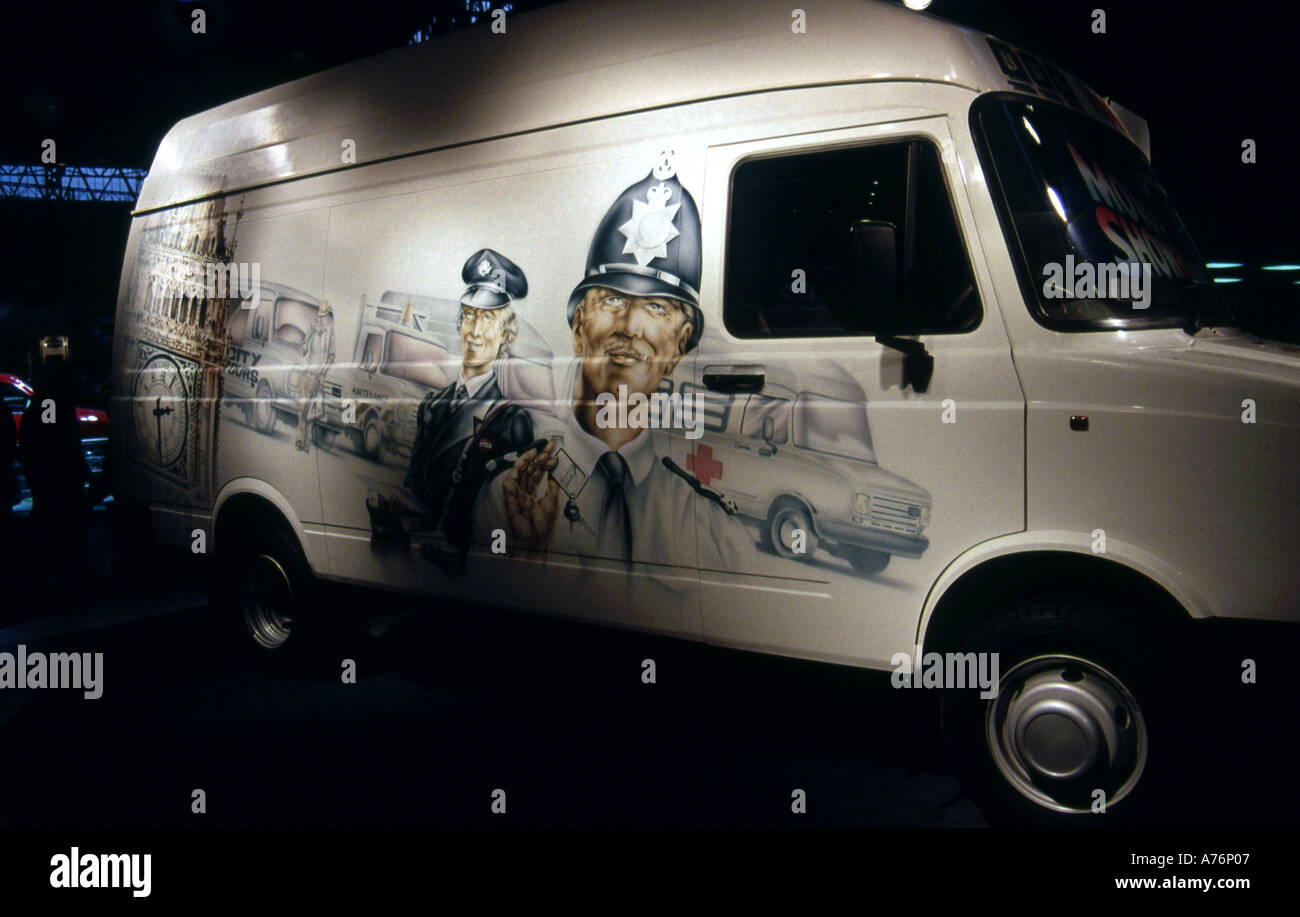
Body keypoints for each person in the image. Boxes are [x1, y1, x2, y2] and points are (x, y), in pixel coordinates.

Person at [478, 157, 745, 573]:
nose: (631, 327)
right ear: (579, 326)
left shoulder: (712, 531)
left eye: (657, 308)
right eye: (613, 300)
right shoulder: (506, 497)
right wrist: (530, 557)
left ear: (677, 349)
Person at [369, 248, 534, 572]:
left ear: (505, 334)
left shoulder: (512, 423)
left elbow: (507, 519)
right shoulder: (432, 405)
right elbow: (412, 487)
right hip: (420, 564)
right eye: (469, 315)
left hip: (469, 571)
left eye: (488, 319)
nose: (474, 331)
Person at [18, 361, 91, 601]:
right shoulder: (52, 407)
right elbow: (62, 443)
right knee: (65, 532)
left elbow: (35, 446)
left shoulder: (42, 406)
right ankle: (66, 580)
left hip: (49, 481)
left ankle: (54, 579)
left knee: (53, 531)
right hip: (59, 482)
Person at [294, 300, 335, 453]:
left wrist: (324, 373)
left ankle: (307, 442)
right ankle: (300, 439)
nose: (321, 319)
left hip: (317, 377)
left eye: (324, 316)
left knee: (311, 412)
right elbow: (303, 345)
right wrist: (303, 347)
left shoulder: (330, 333)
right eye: (320, 316)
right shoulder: (312, 327)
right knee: (301, 408)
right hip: (306, 374)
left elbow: (332, 355)